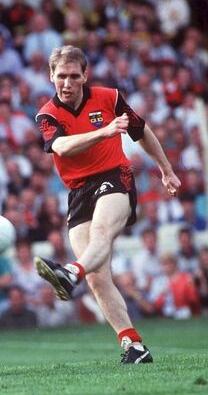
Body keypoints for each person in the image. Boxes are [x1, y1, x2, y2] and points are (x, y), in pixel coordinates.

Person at [32, 46, 181, 364]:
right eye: (61, 76)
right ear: (51, 76)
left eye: (74, 76)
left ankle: (69, 272)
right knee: (97, 276)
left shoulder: (109, 97)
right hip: (78, 191)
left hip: (115, 177)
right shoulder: (47, 114)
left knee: (101, 233)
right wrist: (104, 132)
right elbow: (62, 147)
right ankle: (133, 345)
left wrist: (166, 169)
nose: (67, 83)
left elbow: (141, 130)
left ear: (85, 75)